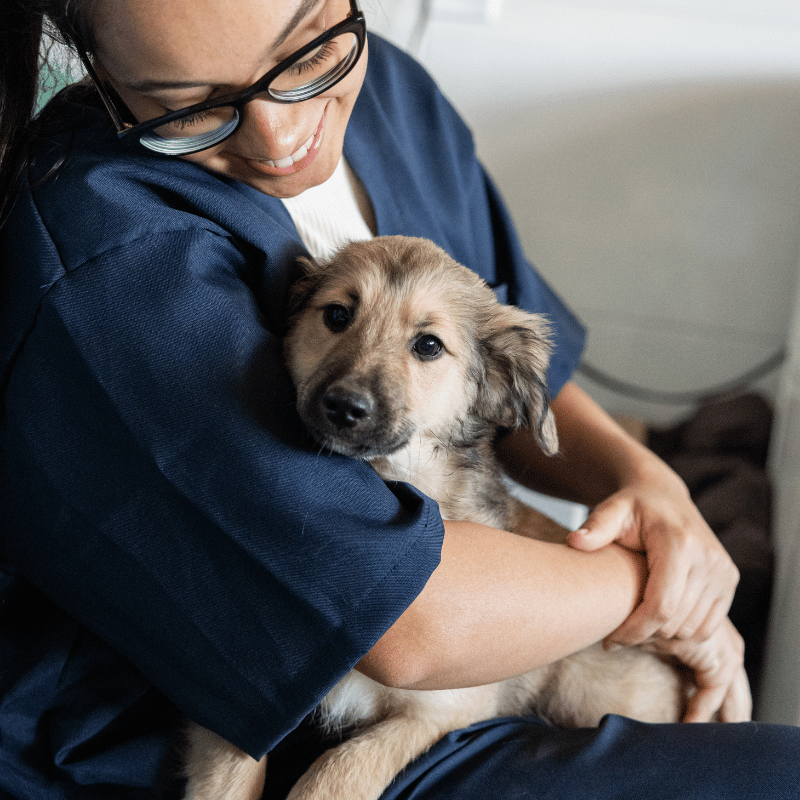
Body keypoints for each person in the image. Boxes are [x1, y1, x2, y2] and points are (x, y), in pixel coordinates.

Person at [0, 0, 797, 798]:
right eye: (190, 106)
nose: (277, 136)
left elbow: (508, 385)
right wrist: (660, 592)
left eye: (307, 55)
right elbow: (406, 622)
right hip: (190, 730)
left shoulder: (393, 99)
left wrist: (653, 490)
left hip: (454, 661)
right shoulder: (108, 258)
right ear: (103, 73)